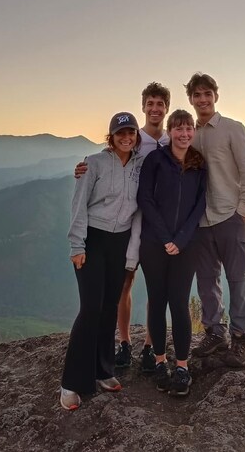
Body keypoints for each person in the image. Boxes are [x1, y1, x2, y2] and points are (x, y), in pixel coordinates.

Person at [74, 82, 171, 372]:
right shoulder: (133, 138)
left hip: (158, 225)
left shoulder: (170, 141)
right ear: (143, 106)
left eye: (160, 104)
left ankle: (150, 347)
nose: (155, 109)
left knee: (157, 288)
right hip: (127, 225)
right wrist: (83, 170)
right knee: (123, 284)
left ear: (165, 108)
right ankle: (125, 343)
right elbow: (109, 160)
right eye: (150, 103)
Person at [60, 112, 144, 411]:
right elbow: (78, 203)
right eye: (121, 132)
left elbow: (138, 212)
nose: (126, 137)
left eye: (131, 132)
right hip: (93, 240)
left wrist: (131, 253)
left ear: (136, 135)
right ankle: (72, 383)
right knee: (91, 308)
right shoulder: (93, 163)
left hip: (120, 241)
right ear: (111, 136)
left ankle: (103, 370)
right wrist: (76, 245)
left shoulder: (139, 165)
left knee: (110, 306)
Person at [185, 72, 245, 367]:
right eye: (197, 95)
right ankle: (215, 332)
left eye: (207, 94)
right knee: (206, 280)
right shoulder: (190, 133)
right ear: (190, 99)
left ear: (216, 96)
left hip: (230, 214)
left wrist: (244, 208)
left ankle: (241, 336)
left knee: (238, 278)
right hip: (201, 220)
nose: (202, 100)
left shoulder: (232, 128)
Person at [137, 110, 207, 396]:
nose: (184, 134)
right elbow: (145, 198)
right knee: (156, 300)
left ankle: (182, 367)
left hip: (186, 244)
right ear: (170, 132)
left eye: (189, 128)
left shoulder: (198, 164)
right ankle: (159, 361)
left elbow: (200, 205)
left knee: (178, 303)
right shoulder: (155, 159)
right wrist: (167, 238)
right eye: (178, 129)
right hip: (154, 243)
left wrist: (180, 238)